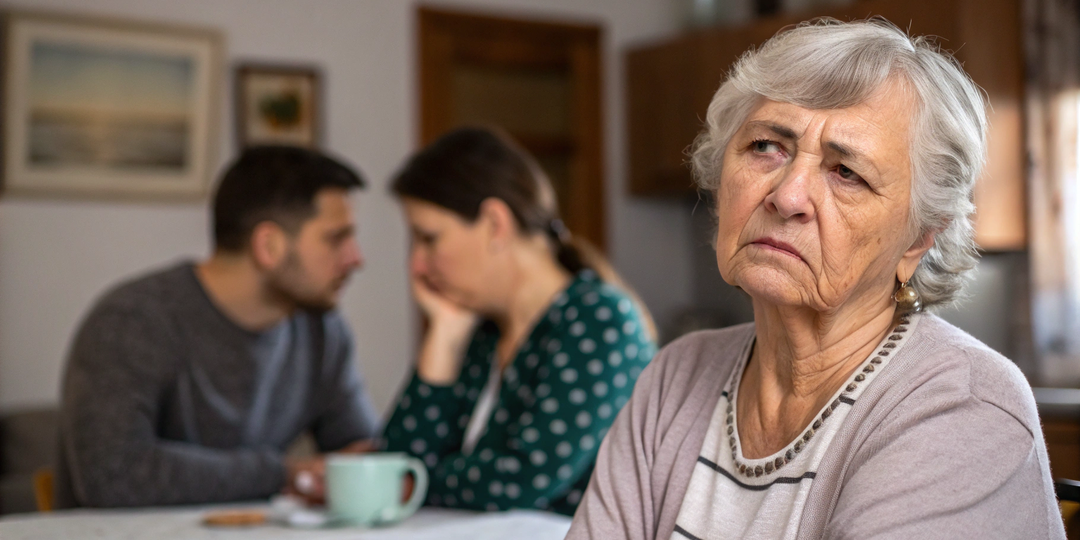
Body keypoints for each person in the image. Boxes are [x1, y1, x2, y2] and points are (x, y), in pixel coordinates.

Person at [567, 18, 1065, 540]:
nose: (786, 196)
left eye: (846, 173)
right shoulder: (676, 376)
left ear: (919, 240)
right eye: (765, 147)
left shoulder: (964, 409)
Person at [56, 146, 381, 508]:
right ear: (268, 246)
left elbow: (362, 458)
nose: (356, 258)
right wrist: (284, 474)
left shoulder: (323, 332)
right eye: (336, 238)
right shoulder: (132, 320)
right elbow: (113, 475)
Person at [381, 127, 658, 515]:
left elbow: (520, 479)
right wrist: (442, 338)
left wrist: (414, 481)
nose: (417, 266)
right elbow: (395, 464)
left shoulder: (600, 319)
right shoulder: (482, 330)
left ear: (495, 223)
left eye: (428, 238)